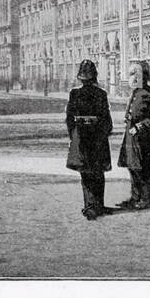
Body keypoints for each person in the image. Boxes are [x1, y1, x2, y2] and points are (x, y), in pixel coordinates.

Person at [65, 59, 114, 220]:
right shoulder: (102, 93)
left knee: (85, 173)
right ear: (94, 77)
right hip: (98, 137)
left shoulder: (74, 93)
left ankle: (90, 205)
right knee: (98, 172)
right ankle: (97, 205)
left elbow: (69, 118)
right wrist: (104, 133)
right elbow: (107, 119)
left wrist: (73, 135)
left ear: (81, 77)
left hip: (81, 136)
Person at [117, 60, 150, 209]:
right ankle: (135, 196)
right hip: (130, 135)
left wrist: (139, 127)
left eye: (136, 74)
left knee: (143, 168)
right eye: (132, 74)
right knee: (132, 166)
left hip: (142, 137)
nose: (132, 77)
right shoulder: (135, 92)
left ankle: (146, 198)